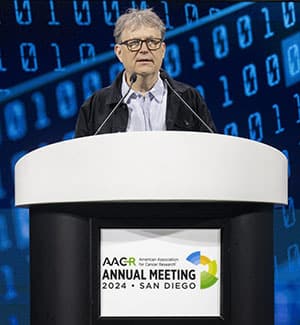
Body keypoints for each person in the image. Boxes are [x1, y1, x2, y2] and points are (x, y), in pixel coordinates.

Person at [75, 8, 216, 137]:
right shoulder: (95, 107)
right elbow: (82, 158)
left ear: (162, 50)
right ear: (119, 52)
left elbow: (211, 150)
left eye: (152, 42)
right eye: (134, 43)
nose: (144, 49)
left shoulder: (189, 100)